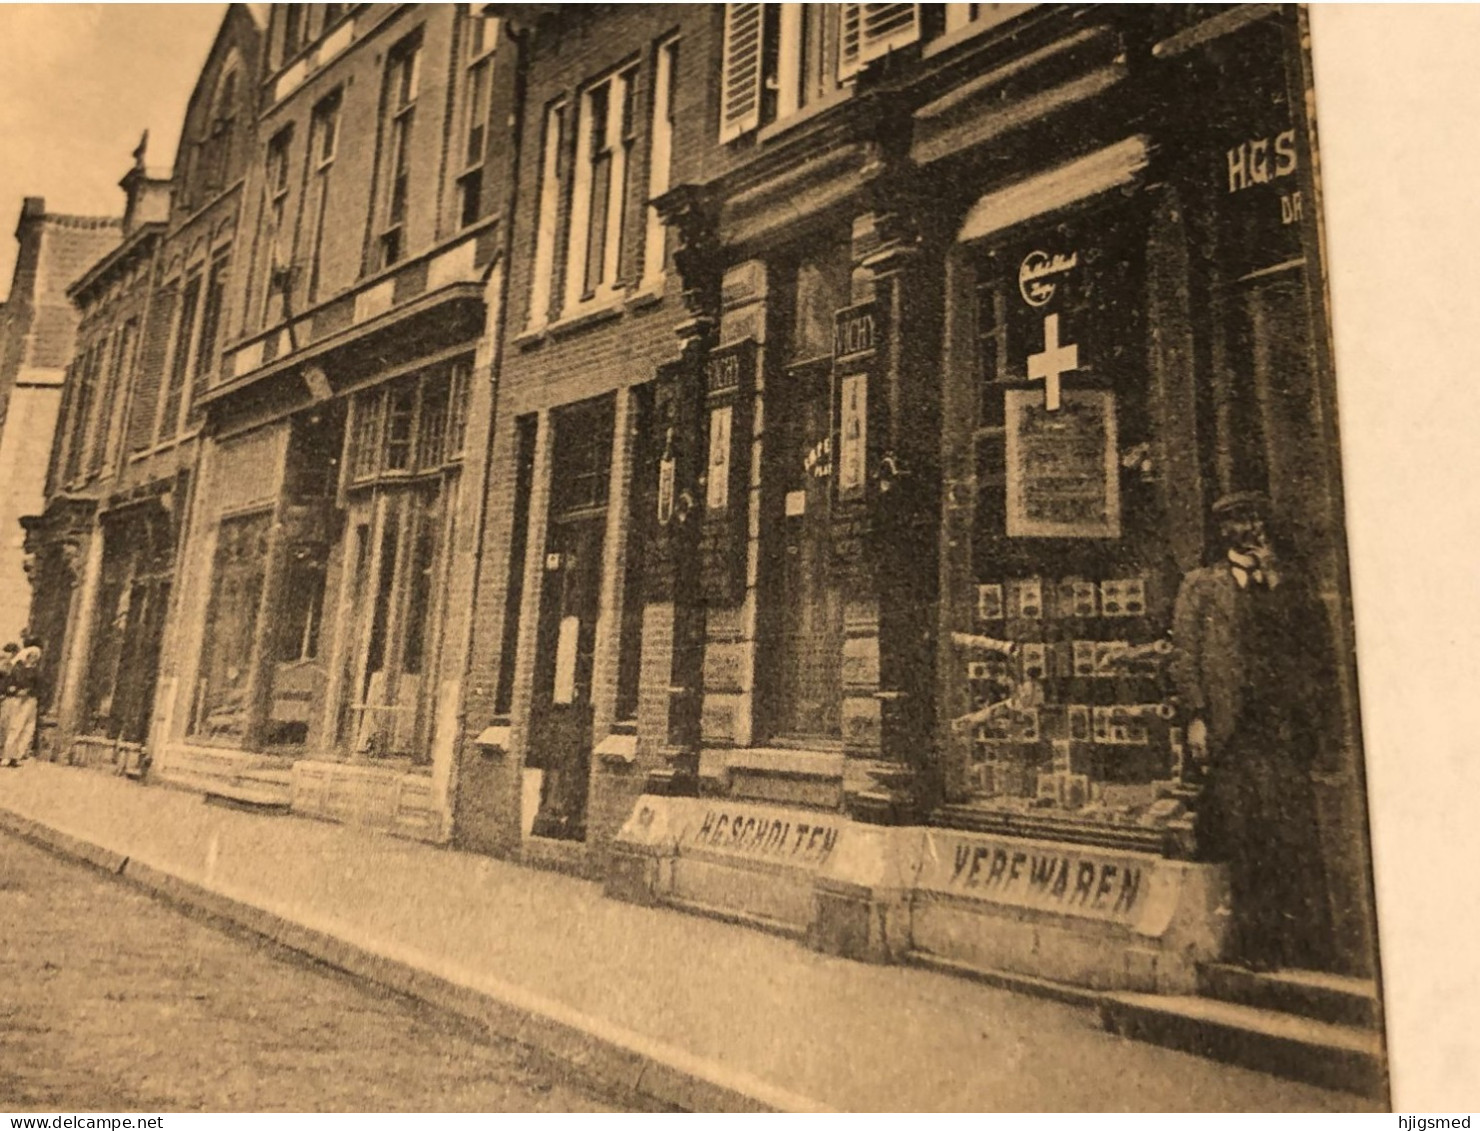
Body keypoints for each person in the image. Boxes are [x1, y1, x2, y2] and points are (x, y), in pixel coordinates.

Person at [1171, 491, 1336, 972]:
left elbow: (1313, 644)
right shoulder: (1201, 586)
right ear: (1222, 532)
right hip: (1233, 731)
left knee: (1292, 835)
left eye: (1253, 520)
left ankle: (1305, 946)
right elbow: (1186, 657)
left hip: (1281, 728)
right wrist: (1197, 717)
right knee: (1249, 838)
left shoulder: (1287, 582)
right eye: (1235, 523)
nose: (1246, 531)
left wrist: (1276, 580)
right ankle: (1257, 945)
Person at [2, 633, 43, 767]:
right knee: (16, 726)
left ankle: (16, 756)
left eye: (35, 657)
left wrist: (31, 692)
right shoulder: (19, 669)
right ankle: (7, 755)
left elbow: (39, 687)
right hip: (19, 700)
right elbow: (12, 683)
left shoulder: (36, 671)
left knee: (28, 728)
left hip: (31, 700)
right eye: (31, 656)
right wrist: (16, 690)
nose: (33, 658)